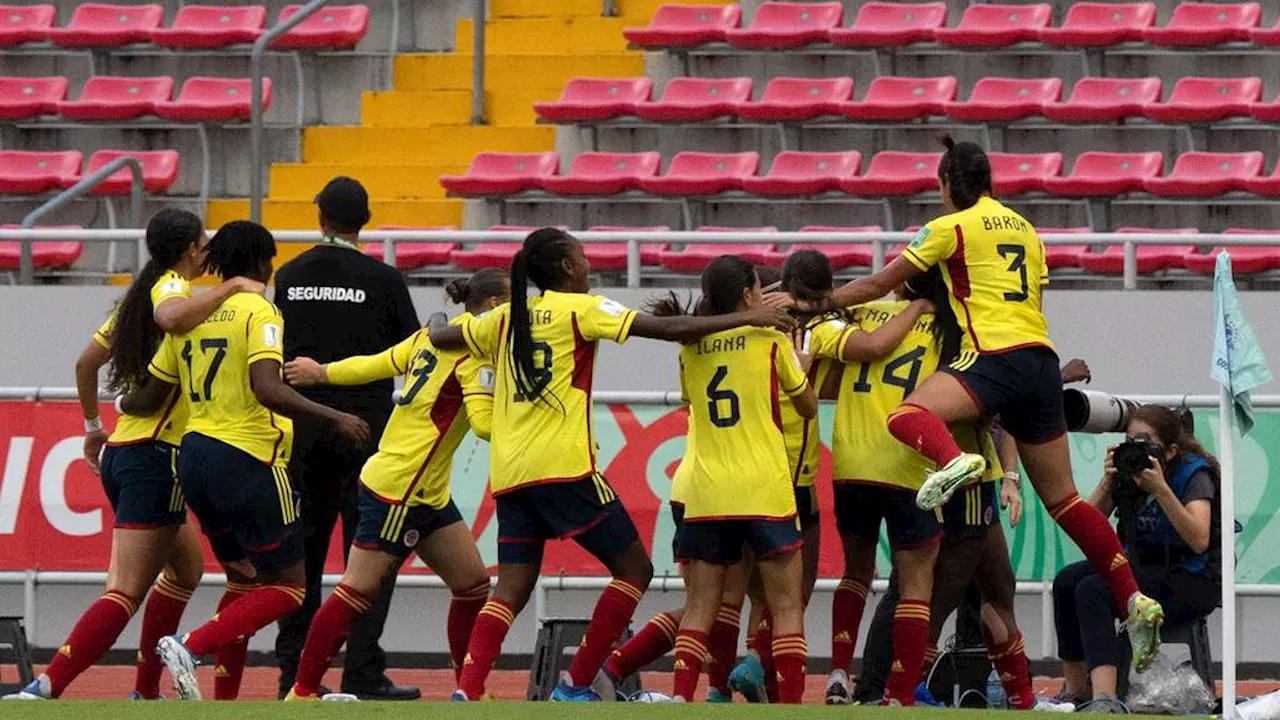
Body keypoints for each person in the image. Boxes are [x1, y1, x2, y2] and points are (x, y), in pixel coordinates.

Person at [766, 136, 1166, 673]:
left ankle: (955, 460)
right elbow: (1031, 304)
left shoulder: (948, 227)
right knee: (1067, 501)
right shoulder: (1025, 229)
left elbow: (882, 282)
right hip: (1041, 361)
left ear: (948, 184)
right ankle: (1134, 599)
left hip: (991, 359)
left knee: (909, 415)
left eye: (938, 183)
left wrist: (814, 302)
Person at [429, 228, 794, 701]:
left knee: (512, 586)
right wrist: (751, 317)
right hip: (565, 467)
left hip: (510, 472)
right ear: (565, 268)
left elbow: (440, 335)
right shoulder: (582, 309)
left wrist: (438, 311)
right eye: (581, 258)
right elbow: (668, 331)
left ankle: (468, 690)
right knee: (634, 569)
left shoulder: (503, 318)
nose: (588, 267)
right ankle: (575, 684)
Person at [3, 210, 261, 702]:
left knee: (186, 570)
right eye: (203, 242)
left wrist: (93, 428)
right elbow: (171, 316)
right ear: (189, 249)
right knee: (123, 591)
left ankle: (145, 694)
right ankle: (45, 686)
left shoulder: (140, 297)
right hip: (153, 458)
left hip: (130, 449)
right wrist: (231, 289)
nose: (207, 250)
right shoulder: (171, 292)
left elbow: (86, 362)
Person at [119, 220, 370, 701]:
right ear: (262, 262)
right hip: (249, 458)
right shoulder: (259, 310)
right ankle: (190, 646)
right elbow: (267, 387)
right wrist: (335, 417)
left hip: (193, 459)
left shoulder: (194, 314)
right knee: (291, 587)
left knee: (245, 578)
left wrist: (119, 405)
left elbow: (149, 396)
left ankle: (224, 701)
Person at [280, 269, 508, 701]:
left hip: (426, 490)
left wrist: (321, 372)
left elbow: (376, 363)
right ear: (496, 307)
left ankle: (469, 690)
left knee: (473, 583)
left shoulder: (429, 338)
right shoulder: (475, 358)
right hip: (400, 488)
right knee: (356, 590)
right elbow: (482, 425)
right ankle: (303, 690)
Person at [855, 360, 1095, 708]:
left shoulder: (980, 342)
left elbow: (1000, 411)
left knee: (998, 586)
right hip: (961, 478)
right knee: (940, 594)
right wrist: (1054, 379)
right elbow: (981, 403)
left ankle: (1021, 700)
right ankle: (896, 692)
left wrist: (1010, 478)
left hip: (977, 476)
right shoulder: (963, 340)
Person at [272, 176, 423, 701]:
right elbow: (411, 354)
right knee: (371, 557)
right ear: (366, 220)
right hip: (369, 439)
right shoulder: (384, 279)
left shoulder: (288, 276)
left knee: (302, 560)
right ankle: (363, 670)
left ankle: (293, 676)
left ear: (319, 217)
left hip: (304, 435)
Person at [664, 256, 817, 704]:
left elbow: (691, 405)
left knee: (700, 607)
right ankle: (790, 707)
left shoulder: (689, 347)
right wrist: (801, 368)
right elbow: (806, 406)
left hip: (709, 493)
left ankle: (678, 699)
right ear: (750, 296)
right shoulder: (770, 341)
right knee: (786, 605)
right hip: (765, 488)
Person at [1050, 404, 1221, 713]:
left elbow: (1199, 539)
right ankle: (1075, 692)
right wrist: (1107, 482)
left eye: (1145, 442)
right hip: (1142, 568)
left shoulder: (1193, 472)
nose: (1136, 450)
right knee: (1066, 581)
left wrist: (1161, 489)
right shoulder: (1127, 472)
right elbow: (1085, 528)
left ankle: (1105, 701)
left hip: (1191, 579)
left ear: (1169, 451)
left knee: (1094, 590)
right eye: (1131, 440)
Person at [728, 261, 834, 704]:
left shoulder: (733, 340)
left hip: (739, 477)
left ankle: (754, 683)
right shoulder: (803, 337)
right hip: (791, 474)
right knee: (794, 594)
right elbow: (809, 404)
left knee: (746, 595)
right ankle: (756, 664)